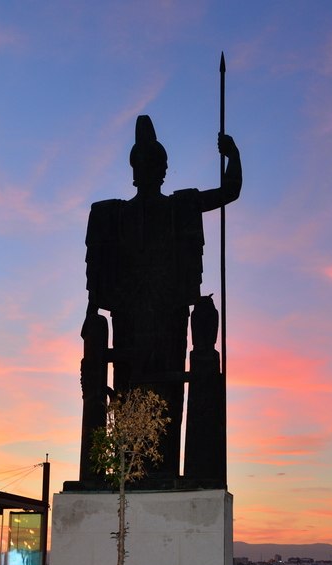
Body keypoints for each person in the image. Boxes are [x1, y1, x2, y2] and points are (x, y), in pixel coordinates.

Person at [81, 116, 242, 480]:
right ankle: (131, 472)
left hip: (168, 317)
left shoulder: (177, 207)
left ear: (161, 170)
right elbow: (98, 273)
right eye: (145, 164)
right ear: (136, 169)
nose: (149, 170)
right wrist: (93, 313)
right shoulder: (114, 214)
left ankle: (160, 471)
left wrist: (233, 155)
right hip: (130, 321)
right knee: (128, 394)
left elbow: (229, 191)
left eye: (155, 164)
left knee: (167, 396)